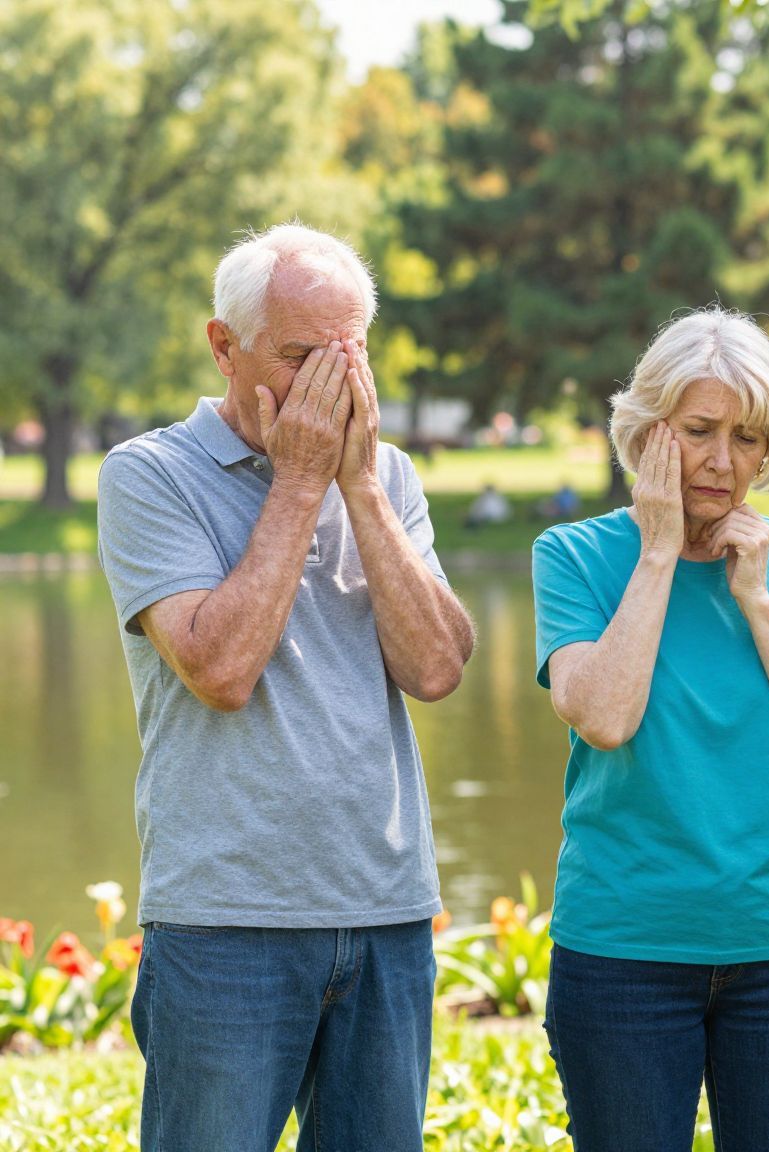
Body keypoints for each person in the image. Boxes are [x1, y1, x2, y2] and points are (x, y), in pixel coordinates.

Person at [95, 223, 475, 1151]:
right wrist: (303, 479)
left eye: (350, 359)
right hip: (226, 925)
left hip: (385, 914)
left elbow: (436, 668)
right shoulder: (149, 476)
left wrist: (362, 490)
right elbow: (220, 672)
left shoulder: (387, 477)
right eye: (303, 359)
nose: (331, 389)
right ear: (225, 347)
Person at [533, 306, 769, 1152]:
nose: (724, 461)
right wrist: (658, 550)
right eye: (699, 430)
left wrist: (756, 598)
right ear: (649, 434)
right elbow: (605, 717)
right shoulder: (574, 556)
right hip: (623, 953)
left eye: (749, 437)